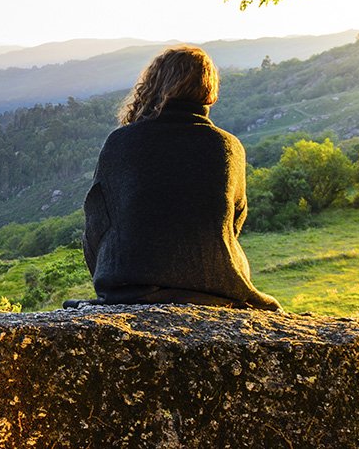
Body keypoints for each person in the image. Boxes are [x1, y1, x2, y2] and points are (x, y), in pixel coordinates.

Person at [81, 45, 281, 311]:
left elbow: (96, 223)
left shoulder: (121, 143)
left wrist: (117, 274)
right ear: (209, 93)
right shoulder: (229, 147)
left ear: (153, 85)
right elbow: (233, 223)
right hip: (216, 287)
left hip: (129, 288)